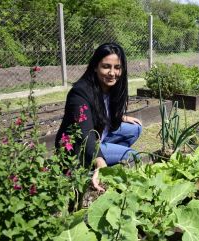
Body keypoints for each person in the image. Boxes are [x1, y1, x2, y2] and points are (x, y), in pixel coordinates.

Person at [55, 42, 142, 192]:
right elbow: (85, 134)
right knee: (134, 156)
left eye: (117, 67)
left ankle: (105, 159)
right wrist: (100, 162)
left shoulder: (112, 87)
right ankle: (94, 165)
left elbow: (103, 110)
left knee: (135, 129)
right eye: (106, 66)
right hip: (79, 147)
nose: (112, 73)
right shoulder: (80, 93)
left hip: (100, 136)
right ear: (95, 67)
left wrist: (121, 117)